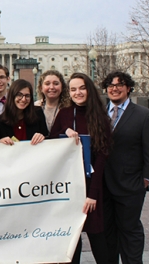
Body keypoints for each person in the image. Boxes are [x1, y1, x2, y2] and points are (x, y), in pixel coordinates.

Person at [49, 72, 112, 264]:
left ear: (89, 90)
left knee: (98, 239)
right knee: (72, 240)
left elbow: (102, 156)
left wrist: (93, 194)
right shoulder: (65, 114)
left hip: (92, 186)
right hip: (70, 186)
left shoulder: (101, 117)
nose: (78, 92)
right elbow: (50, 142)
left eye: (82, 88)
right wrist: (63, 131)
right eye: (73, 89)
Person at [101, 71, 149, 264]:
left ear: (128, 88)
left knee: (129, 230)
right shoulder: (98, 113)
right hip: (102, 184)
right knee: (107, 231)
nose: (114, 88)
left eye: (120, 84)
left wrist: (145, 180)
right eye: (111, 85)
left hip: (130, 184)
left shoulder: (144, 115)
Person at [0, 79, 47, 145]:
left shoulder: (38, 113)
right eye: (19, 95)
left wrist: (42, 137)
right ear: (12, 96)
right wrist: (0, 142)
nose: (23, 99)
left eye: (27, 96)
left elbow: (47, 137)